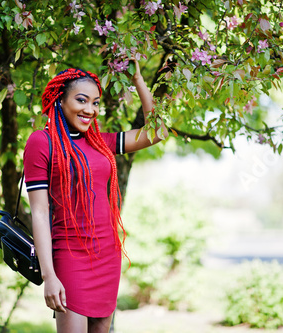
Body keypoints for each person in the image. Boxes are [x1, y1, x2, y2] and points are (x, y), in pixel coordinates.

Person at [24, 59, 167, 333]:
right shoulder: (41, 143)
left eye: (96, 102)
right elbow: (40, 212)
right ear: (59, 100)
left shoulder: (100, 142)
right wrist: (49, 275)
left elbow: (157, 131)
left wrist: (137, 80)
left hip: (106, 255)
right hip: (70, 255)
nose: (90, 109)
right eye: (81, 100)